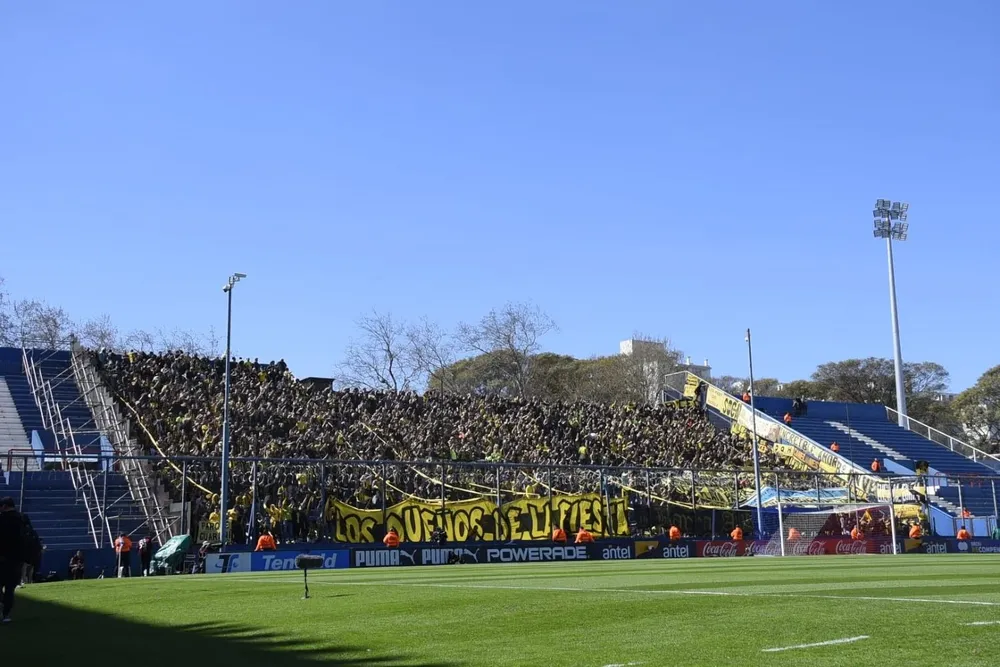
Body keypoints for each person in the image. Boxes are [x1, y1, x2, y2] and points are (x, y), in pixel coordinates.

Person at [0, 497, 24, 623]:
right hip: (17, 559)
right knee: (10, 589)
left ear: (4, 506)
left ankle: (3, 606)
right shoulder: (23, 519)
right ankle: (6, 614)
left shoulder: (2, 519)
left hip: (3, 558)